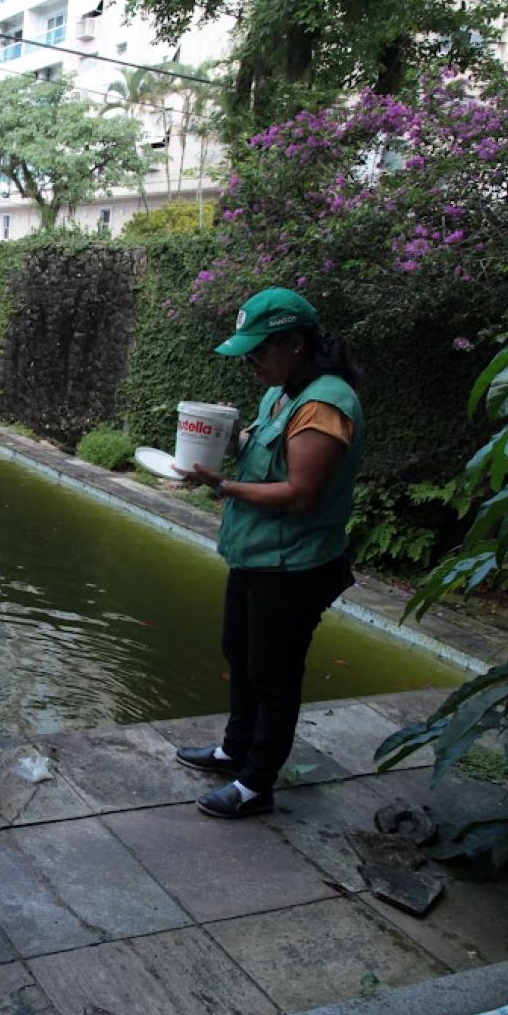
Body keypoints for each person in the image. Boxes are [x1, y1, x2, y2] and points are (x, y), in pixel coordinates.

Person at [176, 287, 364, 819]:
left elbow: (301, 494)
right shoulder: (281, 394)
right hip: (257, 554)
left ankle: (257, 783)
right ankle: (235, 749)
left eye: (260, 351)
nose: (253, 363)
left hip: (295, 566)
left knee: (274, 675)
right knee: (239, 652)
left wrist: (222, 486)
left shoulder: (325, 404)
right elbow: (267, 455)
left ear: (297, 344)